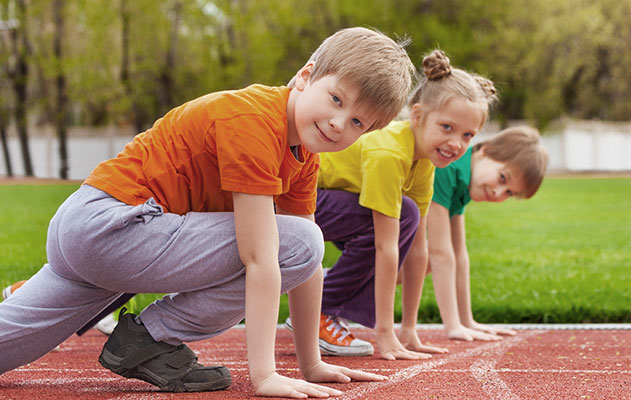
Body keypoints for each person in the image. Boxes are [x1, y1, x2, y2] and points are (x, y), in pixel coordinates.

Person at [0, 26, 415, 398]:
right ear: (306, 76)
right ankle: (150, 338)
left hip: (93, 230)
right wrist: (265, 375)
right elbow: (264, 257)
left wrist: (311, 364)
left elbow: (306, 269)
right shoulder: (254, 119)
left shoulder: (304, 157)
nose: (340, 123)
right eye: (336, 99)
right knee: (296, 241)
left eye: (358, 121)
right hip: (115, 227)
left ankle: (145, 339)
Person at [290, 49, 497, 360]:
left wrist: (409, 330)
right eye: (447, 128)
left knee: (411, 228)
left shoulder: (425, 158)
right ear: (417, 116)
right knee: (403, 219)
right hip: (299, 199)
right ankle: (319, 309)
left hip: (333, 204)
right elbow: (388, 248)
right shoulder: (389, 154)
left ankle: (325, 303)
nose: (457, 144)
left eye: (468, 135)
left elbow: (417, 250)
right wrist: (385, 337)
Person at [424, 125, 548, 342]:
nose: (498, 193)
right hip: (365, 217)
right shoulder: (449, 168)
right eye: (502, 178)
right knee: (424, 257)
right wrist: (453, 326)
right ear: (485, 150)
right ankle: (344, 304)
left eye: (509, 193)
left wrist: (467, 321)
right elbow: (440, 253)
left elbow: (459, 254)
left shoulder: (464, 179)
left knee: (429, 257)